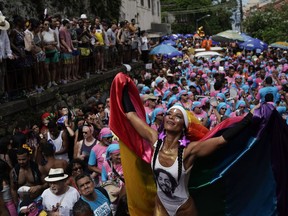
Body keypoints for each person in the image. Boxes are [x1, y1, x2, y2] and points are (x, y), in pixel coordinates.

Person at [119, 73, 257, 215]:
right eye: (169, 114)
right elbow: (131, 115)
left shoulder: (189, 150)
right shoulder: (155, 140)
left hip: (183, 209)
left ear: (183, 126)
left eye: (178, 116)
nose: (171, 117)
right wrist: (122, 85)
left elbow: (221, 141)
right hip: (161, 205)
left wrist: (249, 118)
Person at [0, 13, 14, 100]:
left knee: (2, 75)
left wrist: (9, 53)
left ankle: (1, 93)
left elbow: (6, 42)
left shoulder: (3, 31)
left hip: (3, 58)